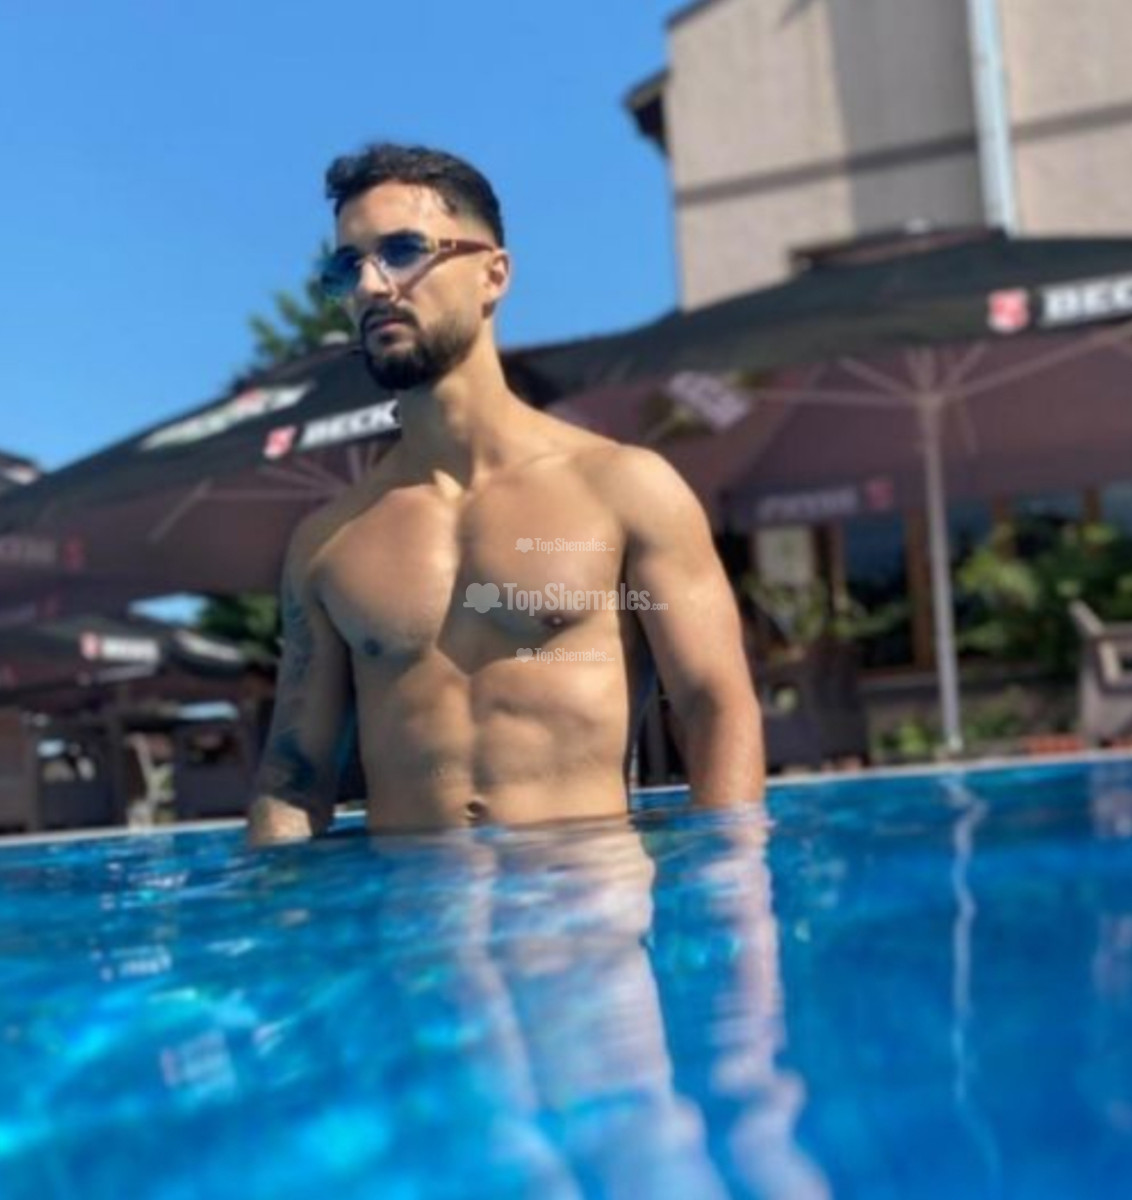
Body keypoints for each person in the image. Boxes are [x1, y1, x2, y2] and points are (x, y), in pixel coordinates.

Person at [247, 143, 763, 845]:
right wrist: (275, 911)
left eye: (401, 251)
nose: (370, 286)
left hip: (583, 901)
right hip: (414, 911)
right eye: (348, 267)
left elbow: (712, 704)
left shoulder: (623, 490)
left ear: (493, 275)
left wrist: (733, 895)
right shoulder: (327, 543)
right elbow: (294, 776)